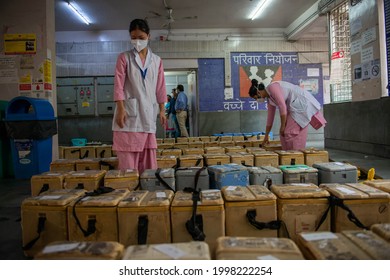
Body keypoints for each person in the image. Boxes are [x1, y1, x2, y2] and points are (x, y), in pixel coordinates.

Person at [112, 18, 167, 174]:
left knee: (148, 165)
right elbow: (119, 85)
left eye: (141, 38)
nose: (137, 41)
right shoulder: (124, 58)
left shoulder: (156, 61)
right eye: (133, 38)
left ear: (148, 36)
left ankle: (147, 194)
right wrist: (121, 108)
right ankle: (128, 193)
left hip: (148, 115)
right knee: (128, 166)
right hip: (129, 117)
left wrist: (162, 110)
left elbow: (161, 87)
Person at [248, 79, 327, 150]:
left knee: (290, 132)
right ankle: (287, 156)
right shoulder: (270, 99)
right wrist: (266, 136)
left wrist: (282, 126)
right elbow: (270, 118)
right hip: (293, 108)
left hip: (301, 104)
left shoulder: (272, 87)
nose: (257, 100)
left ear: (258, 92)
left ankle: (295, 156)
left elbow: (282, 106)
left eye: (256, 98)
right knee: (282, 134)